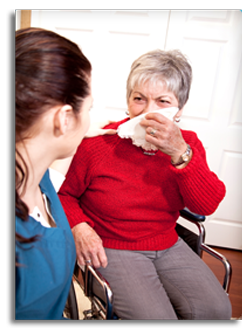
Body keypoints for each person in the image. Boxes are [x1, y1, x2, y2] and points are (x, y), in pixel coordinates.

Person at [58, 49, 232, 320]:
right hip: (112, 247)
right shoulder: (98, 144)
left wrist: (179, 153)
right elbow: (65, 195)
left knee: (217, 310)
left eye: (163, 101)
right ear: (128, 101)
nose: (148, 112)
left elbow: (206, 205)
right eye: (139, 99)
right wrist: (80, 227)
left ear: (179, 109)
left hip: (168, 242)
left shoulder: (188, 145)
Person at [15, 27, 115, 320]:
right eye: (89, 110)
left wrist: (80, 132)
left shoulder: (35, 174)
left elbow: (54, 177)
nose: (89, 121)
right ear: (65, 118)